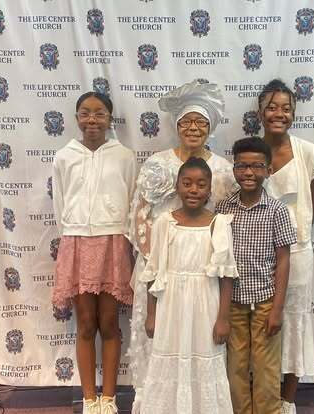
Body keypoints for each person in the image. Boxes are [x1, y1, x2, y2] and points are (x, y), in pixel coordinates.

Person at [128, 79, 236, 413]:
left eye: (200, 122)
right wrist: (161, 259)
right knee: (160, 341)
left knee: (201, 342)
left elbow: (229, 219)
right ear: (176, 126)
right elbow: (139, 216)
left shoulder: (223, 169)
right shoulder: (157, 164)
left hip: (204, 275)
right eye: (186, 122)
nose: (193, 128)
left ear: (210, 127)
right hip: (162, 272)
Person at [52, 91, 137, 414]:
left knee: (110, 323)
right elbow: (61, 203)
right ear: (76, 118)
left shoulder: (124, 156)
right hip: (77, 241)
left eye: (100, 113)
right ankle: (90, 399)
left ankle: (109, 398)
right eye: (85, 113)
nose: (92, 120)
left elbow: (131, 199)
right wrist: (72, 234)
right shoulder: (65, 156)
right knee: (86, 323)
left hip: (113, 241)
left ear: (110, 118)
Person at [139, 157, 237, 413]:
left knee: (204, 359)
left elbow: (227, 276)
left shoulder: (219, 224)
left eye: (201, 185)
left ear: (209, 190)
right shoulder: (164, 222)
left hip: (206, 306)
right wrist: (151, 314)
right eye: (187, 183)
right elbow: (154, 272)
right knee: (168, 359)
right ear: (177, 186)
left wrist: (223, 318)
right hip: (171, 306)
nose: (194, 190)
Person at [216, 137, 296, 414]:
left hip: (265, 302)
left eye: (257, 166)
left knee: (266, 368)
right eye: (242, 166)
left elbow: (284, 260)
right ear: (234, 169)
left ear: (269, 170)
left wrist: (277, 309)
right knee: (234, 367)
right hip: (233, 303)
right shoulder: (223, 208)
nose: (249, 172)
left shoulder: (277, 210)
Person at [259, 79, 314, 414]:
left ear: (294, 114)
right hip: (257, 256)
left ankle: (287, 401)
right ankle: (263, 396)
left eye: (286, 108)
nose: (279, 114)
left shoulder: (308, 152)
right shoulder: (251, 152)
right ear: (260, 113)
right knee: (261, 322)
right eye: (271, 107)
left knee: (294, 323)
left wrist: (295, 238)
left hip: (297, 254)